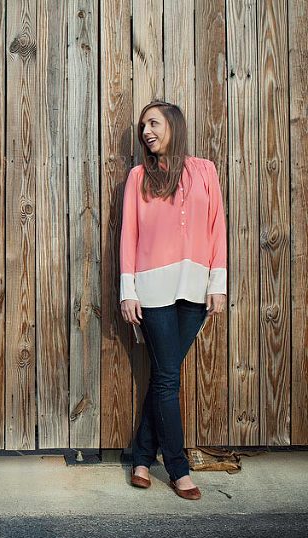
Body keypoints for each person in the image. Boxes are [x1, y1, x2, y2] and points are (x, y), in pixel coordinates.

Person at [120, 101, 227, 500]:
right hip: (153, 290)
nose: (146, 132)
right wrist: (127, 291)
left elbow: (217, 228)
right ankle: (179, 469)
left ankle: (143, 457)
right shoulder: (138, 177)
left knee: (163, 376)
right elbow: (128, 235)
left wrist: (218, 283)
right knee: (167, 379)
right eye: (142, 126)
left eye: (153, 123)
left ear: (173, 125)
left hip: (196, 288)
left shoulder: (205, 171)